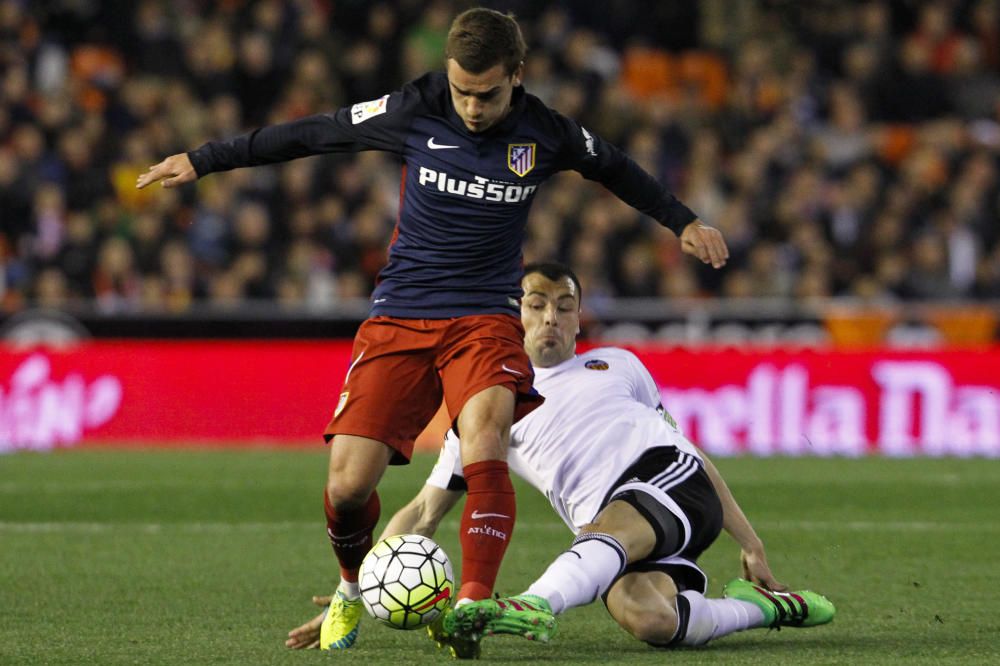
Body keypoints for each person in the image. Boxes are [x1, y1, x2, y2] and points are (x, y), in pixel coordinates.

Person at [138, 8, 728, 652]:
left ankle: (471, 605)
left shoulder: (547, 132)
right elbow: (313, 133)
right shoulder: (412, 108)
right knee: (346, 485)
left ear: (517, 77)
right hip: (400, 313)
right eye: (462, 92)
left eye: (488, 94)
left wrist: (683, 221)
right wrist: (204, 159)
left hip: (485, 316)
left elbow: (616, 167)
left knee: (485, 440)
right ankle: (348, 590)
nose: (472, 107)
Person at [285, 262, 834, 657]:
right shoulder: (484, 408)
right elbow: (423, 513)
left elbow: (691, 455)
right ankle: (762, 609)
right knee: (649, 619)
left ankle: (533, 603)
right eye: (537, 305)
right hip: (619, 537)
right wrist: (358, 584)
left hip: (667, 486)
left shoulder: (619, 364)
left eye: (564, 307)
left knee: (612, 526)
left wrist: (750, 540)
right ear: (513, 316)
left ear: (578, 320)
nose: (551, 318)